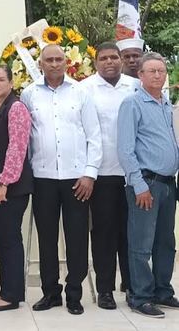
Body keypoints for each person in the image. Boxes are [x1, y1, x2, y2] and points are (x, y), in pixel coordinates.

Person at [20, 44, 102, 315]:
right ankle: (50, 292)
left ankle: (74, 294)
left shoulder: (81, 92)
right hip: (43, 178)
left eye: (59, 59)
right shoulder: (29, 94)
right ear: (40, 64)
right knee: (47, 238)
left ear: (66, 63)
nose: (54, 64)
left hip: (76, 179)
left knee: (77, 237)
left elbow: (94, 135)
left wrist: (90, 173)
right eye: (49, 60)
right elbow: (24, 138)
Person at [118, 52, 179, 318]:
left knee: (165, 242)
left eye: (161, 71)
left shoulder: (166, 104)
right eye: (151, 71)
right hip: (146, 183)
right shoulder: (132, 104)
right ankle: (140, 296)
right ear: (140, 75)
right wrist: (138, 183)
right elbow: (125, 148)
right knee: (141, 243)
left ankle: (163, 291)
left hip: (167, 184)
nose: (158, 75)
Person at [79, 42, 138, 309]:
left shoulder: (134, 86)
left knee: (131, 233)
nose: (110, 62)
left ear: (121, 60)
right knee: (103, 233)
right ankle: (105, 289)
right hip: (101, 173)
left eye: (114, 57)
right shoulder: (85, 89)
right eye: (103, 58)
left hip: (132, 174)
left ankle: (133, 285)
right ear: (96, 62)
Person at [0, 65, 32, 312]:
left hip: (9, 187)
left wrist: (4, 182)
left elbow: (17, 147)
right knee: (1, 239)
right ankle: (8, 291)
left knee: (9, 239)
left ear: (11, 83)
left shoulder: (16, 108)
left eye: (1, 79)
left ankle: (10, 296)